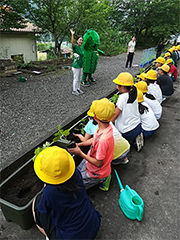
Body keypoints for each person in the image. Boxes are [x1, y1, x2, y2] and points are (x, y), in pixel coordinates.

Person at [32, 146, 101, 240]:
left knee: (35, 206)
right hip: (93, 225)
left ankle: (50, 237)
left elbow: (42, 210)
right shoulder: (76, 173)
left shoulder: (49, 193)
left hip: (71, 237)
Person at [68, 98, 115, 191]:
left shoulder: (103, 141)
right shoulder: (104, 127)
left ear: (96, 117)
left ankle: (103, 179)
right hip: (91, 161)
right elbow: (94, 139)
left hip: (96, 172)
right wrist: (81, 144)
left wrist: (80, 153)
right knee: (78, 171)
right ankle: (105, 175)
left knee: (76, 187)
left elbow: (98, 163)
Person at [111, 72, 143, 152]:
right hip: (137, 126)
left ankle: (128, 142)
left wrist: (106, 124)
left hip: (126, 131)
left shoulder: (122, 97)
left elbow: (115, 115)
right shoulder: (134, 93)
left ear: (122, 87)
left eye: (117, 84)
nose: (116, 86)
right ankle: (135, 138)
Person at [70, 29, 84, 96]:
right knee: (76, 78)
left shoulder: (81, 48)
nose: (81, 41)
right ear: (77, 41)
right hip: (76, 66)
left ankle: (78, 88)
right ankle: (74, 90)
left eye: (82, 40)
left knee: (79, 78)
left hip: (80, 66)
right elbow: (72, 43)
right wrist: (72, 34)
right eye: (80, 40)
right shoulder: (75, 47)